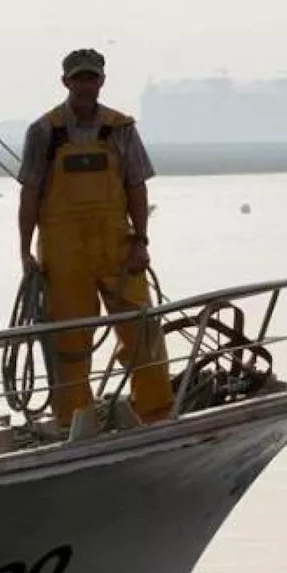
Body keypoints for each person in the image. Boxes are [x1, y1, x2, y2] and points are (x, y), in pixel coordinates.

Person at [16, 47, 174, 432]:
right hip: (63, 252)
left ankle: (155, 415)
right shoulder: (44, 131)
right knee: (69, 342)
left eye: (91, 78)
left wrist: (141, 240)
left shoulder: (122, 128)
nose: (85, 85)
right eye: (78, 79)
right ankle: (76, 425)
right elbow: (30, 195)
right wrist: (24, 252)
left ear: (102, 81)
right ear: (65, 82)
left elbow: (136, 186)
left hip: (117, 247)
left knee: (144, 330)